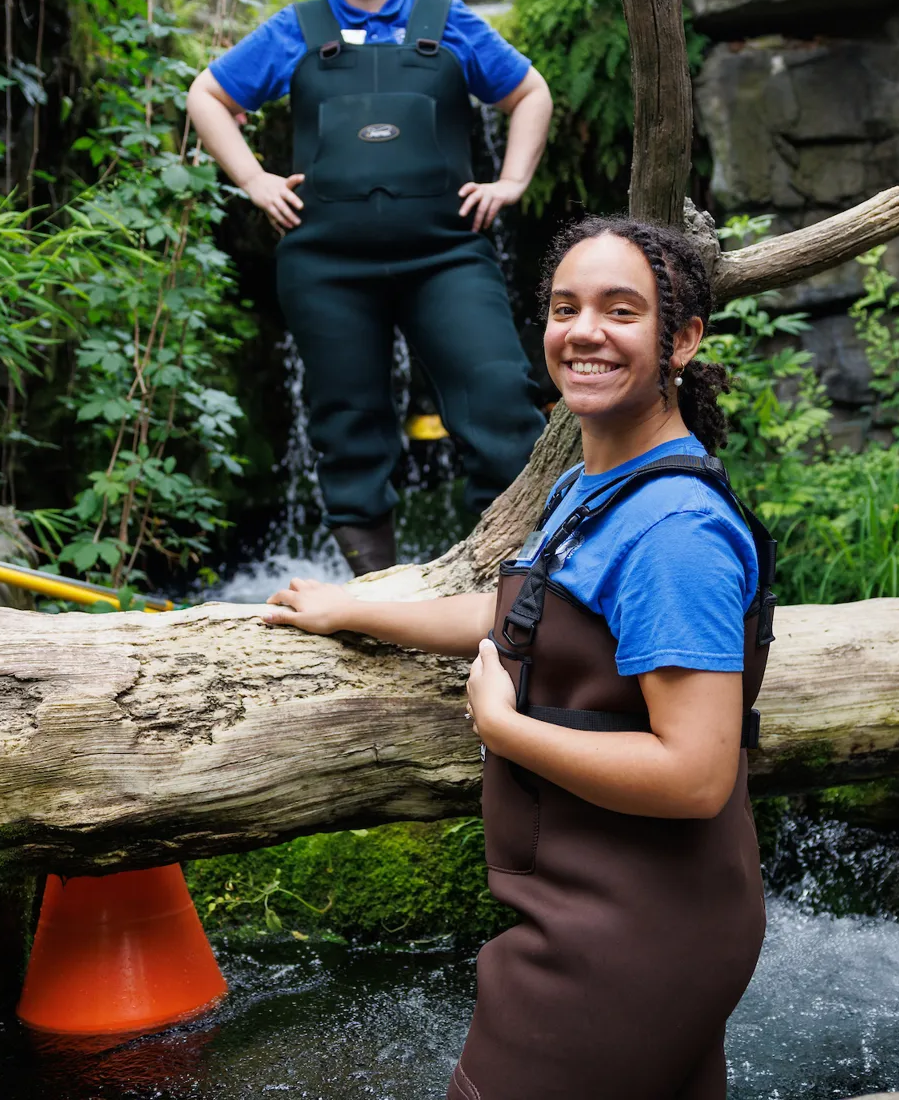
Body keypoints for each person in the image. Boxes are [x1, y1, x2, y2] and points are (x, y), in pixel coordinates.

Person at [263, 216, 778, 1099]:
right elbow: (524, 616)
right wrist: (358, 608)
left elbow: (694, 771)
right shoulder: (593, 485)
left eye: (621, 311)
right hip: (623, 914)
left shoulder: (673, 535)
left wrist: (503, 727)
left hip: (627, 939)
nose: (583, 332)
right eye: (564, 307)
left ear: (682, 339)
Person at [187, 0, 554, 577]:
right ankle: (379, 596)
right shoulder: (296, 30)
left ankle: (511, 586)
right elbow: (206, 93)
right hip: (326, 268)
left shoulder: (447, 22)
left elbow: (529, 91)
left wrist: (511, 181)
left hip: (446, 257)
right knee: (348, 427)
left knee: (501, 402)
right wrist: (254, 179)